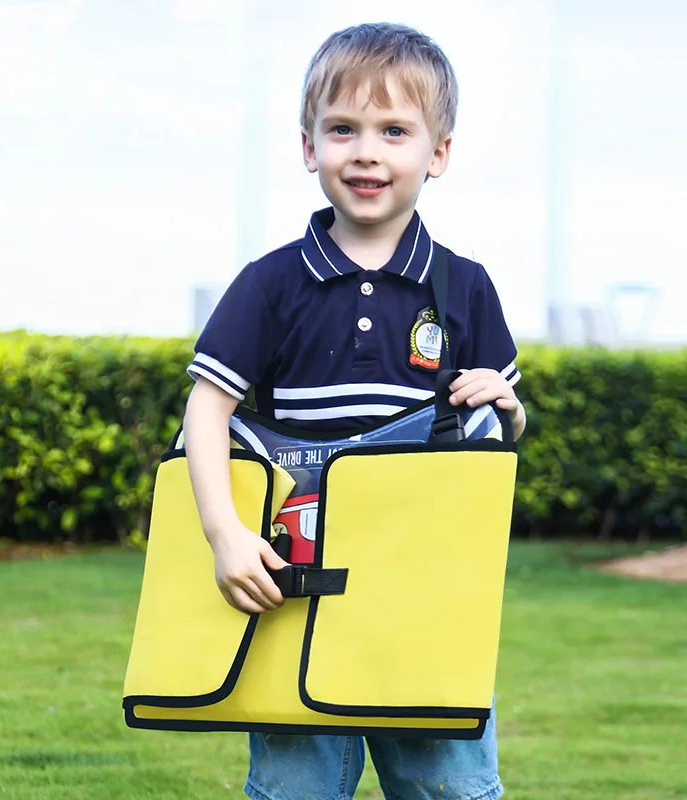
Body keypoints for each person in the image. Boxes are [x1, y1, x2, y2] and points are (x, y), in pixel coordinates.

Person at [182, 21, 526, 800]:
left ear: (437, 153)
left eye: (394, 131)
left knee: (450, 787)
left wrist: (507, 404)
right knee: (296, 788)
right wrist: (223, 535)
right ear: (309, 146)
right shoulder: (269, 284)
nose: (366, 151)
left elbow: (503, 439)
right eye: (343, 129)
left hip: (425, 595)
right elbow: (206, 412)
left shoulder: (465, 286)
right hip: (295, 590)